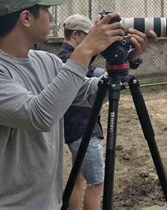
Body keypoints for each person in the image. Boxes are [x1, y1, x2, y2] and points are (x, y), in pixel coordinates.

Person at [0, 0, 157, 209]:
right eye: (46, 9)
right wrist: (86, 49)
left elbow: (89, 94)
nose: (52, 16)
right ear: (26, 18)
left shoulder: (46, 61)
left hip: (48, 203)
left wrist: (121, 65)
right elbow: (39, 116)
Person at [58, 14, 119, 210]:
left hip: (74, 128)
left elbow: (95, 71)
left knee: (77, 179)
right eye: (89, 35)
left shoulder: (66, 57)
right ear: (76, 35)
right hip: (84, 129)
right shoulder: (71, 61)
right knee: (97, 184)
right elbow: (97, 80)